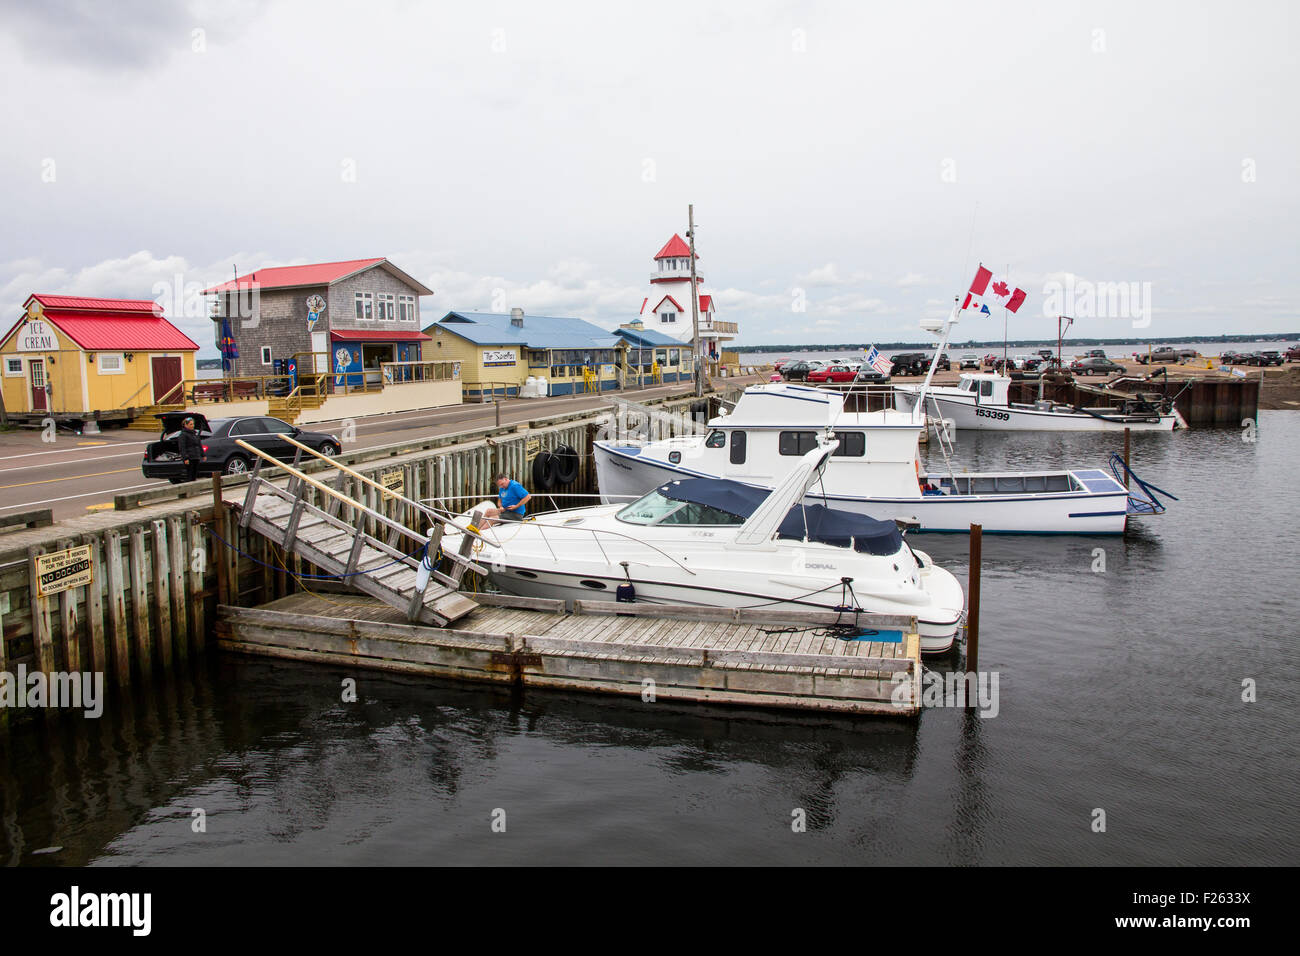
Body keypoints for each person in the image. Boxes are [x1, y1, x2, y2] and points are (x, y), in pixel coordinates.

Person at [177, 416, 205, 482]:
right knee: (190, 474)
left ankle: (194, 488)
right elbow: (182, 447)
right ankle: (188, 490)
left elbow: (199, 445)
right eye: (191, 424)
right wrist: (185, 458)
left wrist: (202, 454)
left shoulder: (194, 434)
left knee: (195, 474)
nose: (193, 426)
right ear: (186, 425)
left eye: (193, 424)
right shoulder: (183, 435)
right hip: (190, 457)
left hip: (196, 456)